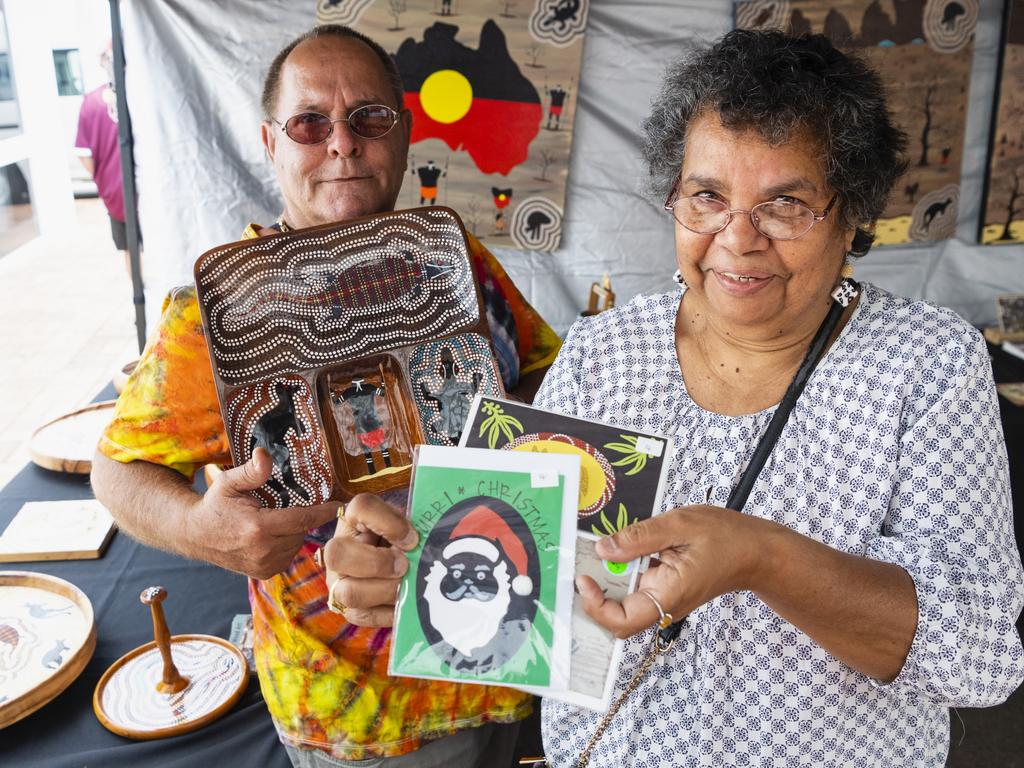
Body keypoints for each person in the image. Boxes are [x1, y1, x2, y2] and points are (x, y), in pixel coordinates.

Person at [530, 30, 1024, 766]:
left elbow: (979, 657)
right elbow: (530, 592)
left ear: (851, 213)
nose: (738, 238)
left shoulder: (924, 364)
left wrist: (762, 558)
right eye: (707, 197)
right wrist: (411, 573)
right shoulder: (604, 355)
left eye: (784, 205)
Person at [90, 25, 561, 768]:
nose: (343, 144)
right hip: (357, 716)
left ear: (402, 134)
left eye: (368, 119)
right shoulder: (218, 314)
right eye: (311, 123)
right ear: (271, 142)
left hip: (505, 658)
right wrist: (199, 528)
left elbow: (539, 368)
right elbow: (116, 471)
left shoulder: (453, 257)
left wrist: (528, 441)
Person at [75, 43, 140, 272]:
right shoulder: (141, 97)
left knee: (131, 251)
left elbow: (84, 155)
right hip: (144, 192)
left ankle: (141, 295)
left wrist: (104, 180)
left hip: (115, 194)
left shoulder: (91, 102)